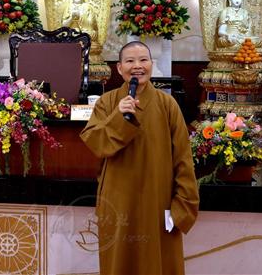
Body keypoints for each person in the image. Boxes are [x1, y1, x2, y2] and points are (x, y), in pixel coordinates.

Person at [80, 41, 199, 275]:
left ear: (151, 64)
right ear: (119, 68)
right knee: (119, 263)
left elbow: (183, 159)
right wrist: (118, 115)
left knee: (157, 264)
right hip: (118, 202)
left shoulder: (167, 105)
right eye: (130, 61)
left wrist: (182, 207)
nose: (137, 66)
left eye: (143, 60)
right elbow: (96, 143)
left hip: (158, 202)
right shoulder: (107, 102)